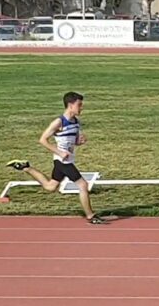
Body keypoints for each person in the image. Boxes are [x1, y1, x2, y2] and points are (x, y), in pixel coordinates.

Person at [6, 92, 105, 224]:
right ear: (70, 105)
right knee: (83, 185)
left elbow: (72, 141)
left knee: (50, 186)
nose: (81, 108)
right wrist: (59, 152)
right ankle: (90, 216)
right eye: (79, 105)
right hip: (62, 161)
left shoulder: (76, 122)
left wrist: (79, 142)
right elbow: (43, 140)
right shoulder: (59, 122)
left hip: (68, 159)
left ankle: (26, 167)